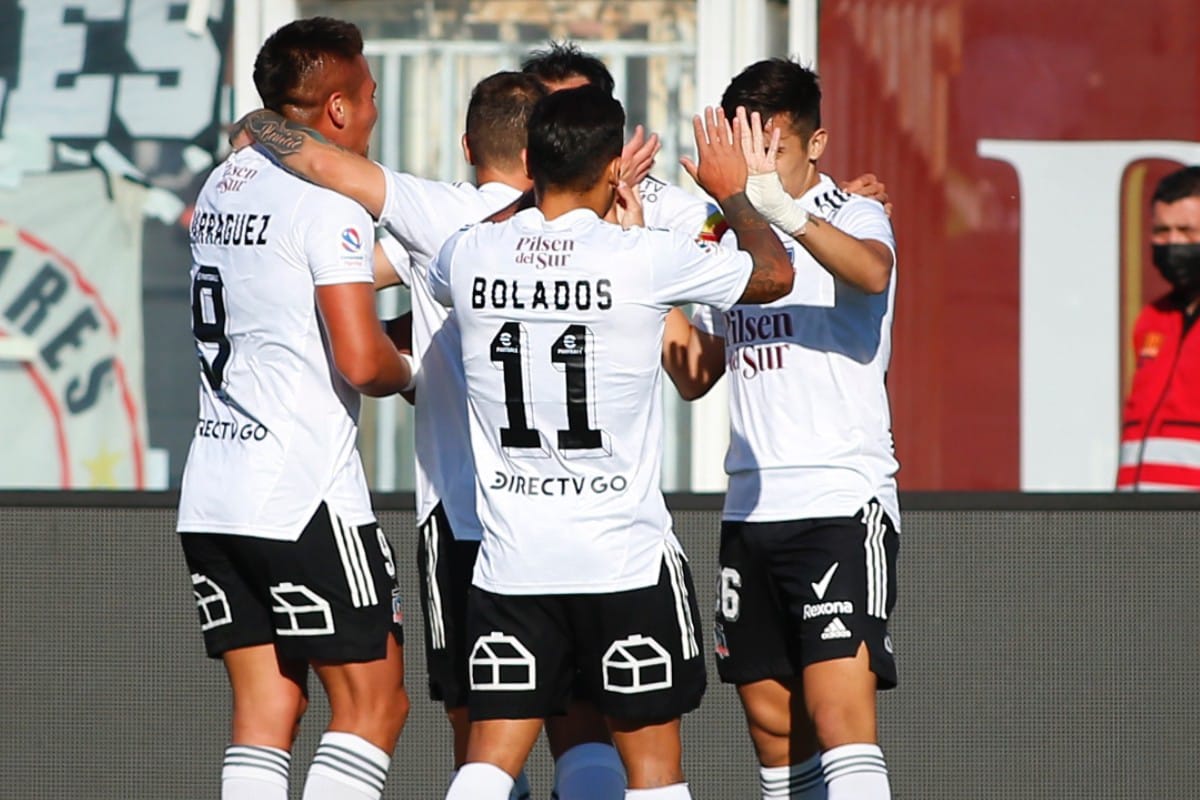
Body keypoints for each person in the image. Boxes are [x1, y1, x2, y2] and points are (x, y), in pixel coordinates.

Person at [235, 70, 658, 800]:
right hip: (586, 521)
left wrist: (253, 126)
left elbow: (338, 255)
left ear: (468, 146)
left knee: (483, 739)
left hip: (463, 521)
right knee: (585, 725)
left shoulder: (435, 221)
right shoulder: (610, 229)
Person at [432, 85, 794, 800]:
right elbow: (775, 273)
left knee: (487, 764)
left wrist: (548, 195)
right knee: (652, 771)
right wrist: (733, 196)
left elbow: (473, 251)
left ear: (530, 161)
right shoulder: (643, 257)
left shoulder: (470, 255)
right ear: (611, 169)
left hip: (514, 563)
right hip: (622, 560)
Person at [174, 18, 413, 800]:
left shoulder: (223, 181)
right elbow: (362, 361)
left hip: (214, 492)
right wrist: (416, 365)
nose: (373, 112)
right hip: (303, 494)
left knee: (267, 708)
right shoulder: (328, 200)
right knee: (375, 705)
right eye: (369, 96)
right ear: (338, 108)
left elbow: (288, 284)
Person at [663, 60, 899, 800]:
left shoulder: (854, 212)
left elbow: (872, 273)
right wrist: (650, 270)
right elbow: (696, 373)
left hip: (839, 502)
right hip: (751, 508)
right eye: (746, 152)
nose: (758, 168)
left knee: (839, 717)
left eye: (775, 150)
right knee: (773, 729)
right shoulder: (727, 238)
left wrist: (783, 213)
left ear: (816, 144)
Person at [1118, 165, 1200, 490]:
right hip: (1138, 513)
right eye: (1162, 231)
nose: (1173, 243)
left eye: (1187, 231)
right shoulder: (1153, 318)